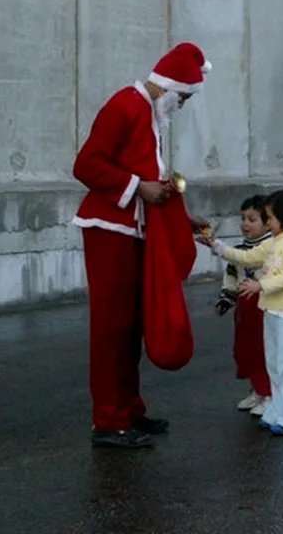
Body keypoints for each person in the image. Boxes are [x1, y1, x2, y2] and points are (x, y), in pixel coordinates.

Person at [72, 42, 212, 449]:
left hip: (130, 229)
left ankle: (128, 409)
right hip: (107, 230)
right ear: (170, 88)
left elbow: (146, 183)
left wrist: (182, 221)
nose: (181, 106)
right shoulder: (125, 105)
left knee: (131, 325)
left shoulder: (147, 113)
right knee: (112, 328)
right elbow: (86, 165)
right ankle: (109, 420)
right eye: (182, 97)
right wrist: (137, 188)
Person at [201, 188, 283, 436]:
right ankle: (277, 410)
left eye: (271, 218)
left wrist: (260, 285)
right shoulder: (275, 241)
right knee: (274, 365)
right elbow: (248, 257)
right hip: (272, 312)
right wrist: (218, 247)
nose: (269, 222)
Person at [214, 195, 273, 416]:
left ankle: (269, 394)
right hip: (244, 308)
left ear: (268, 222)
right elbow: (231, 276)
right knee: (245, 350)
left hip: (263, 307)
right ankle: (256, 391)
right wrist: (226, 299)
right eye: (243, 218)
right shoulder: (239, 249)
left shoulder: (270, 247)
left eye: (252, 219)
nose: (245, 224)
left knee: (263, 350)